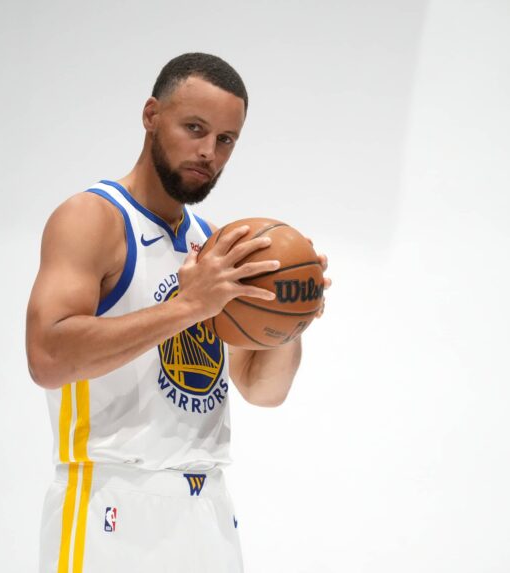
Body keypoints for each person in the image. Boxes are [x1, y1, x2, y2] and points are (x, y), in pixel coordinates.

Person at [25, 52, 328, 573]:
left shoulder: (211, 243)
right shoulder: (93, 218)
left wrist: (291, 316)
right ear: (151, 116)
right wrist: (190, 306)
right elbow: (48, 358)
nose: (209, 152)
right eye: (195, 128)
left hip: (207, 506)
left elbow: (263, 389)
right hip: (109, 502)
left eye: (226, 139)